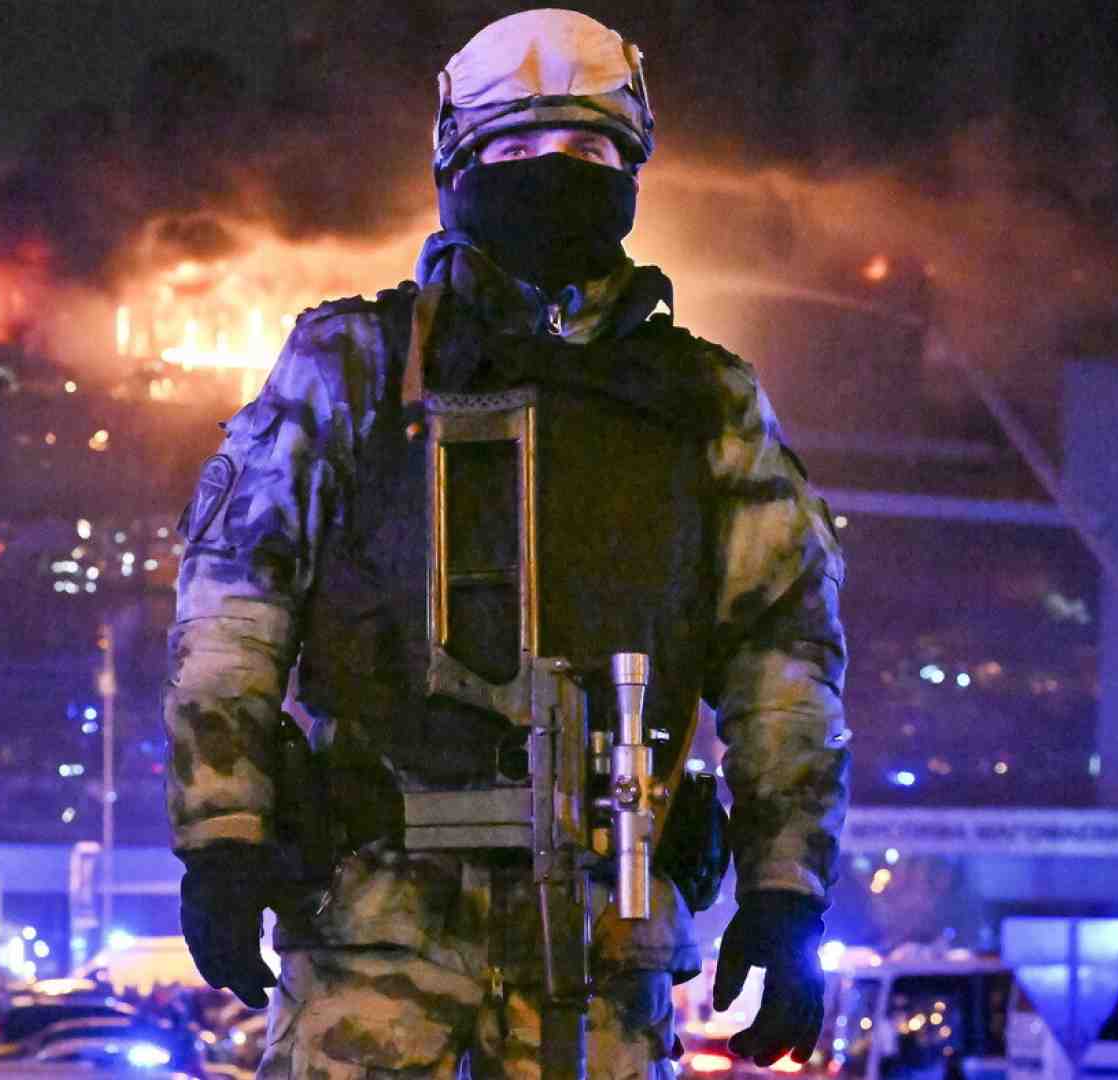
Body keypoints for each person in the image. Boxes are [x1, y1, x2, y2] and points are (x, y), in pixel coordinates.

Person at [162, 8, 850, 1078]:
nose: (552, 173)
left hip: (606, 940)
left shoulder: (704, 400)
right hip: (373, 929)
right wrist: (223, 838)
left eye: (587, 150)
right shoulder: (352, 364)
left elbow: (784, 654)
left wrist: (786, 890)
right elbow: (232, 613)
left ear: (632, 173)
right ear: (457, 167)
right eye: (517, 147)